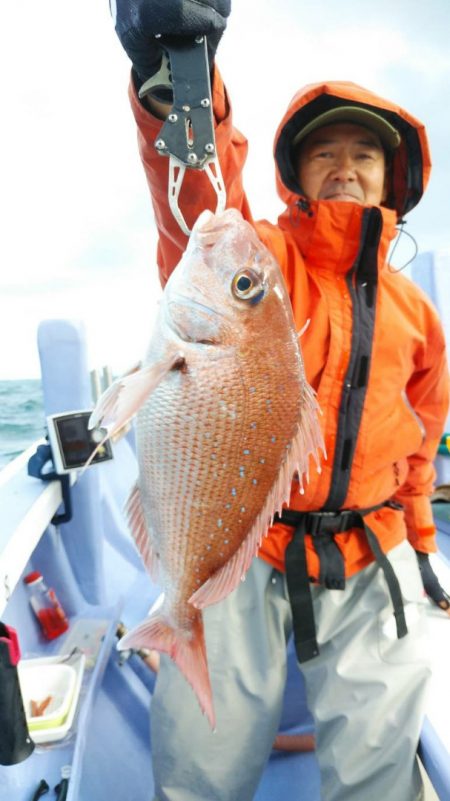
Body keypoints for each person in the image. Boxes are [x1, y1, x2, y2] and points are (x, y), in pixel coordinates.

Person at [111, 3, 450, 800]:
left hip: (372, 551)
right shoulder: (258, 259)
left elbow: (422, 434)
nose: (343, 164)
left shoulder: (418, 313)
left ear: (393, 175)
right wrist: (180, 84)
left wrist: (424, 542)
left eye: (363, 152)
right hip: (246, 547)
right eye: (323, 151)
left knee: (379, 761)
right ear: (293, 174)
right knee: (202, 757)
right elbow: (197, 202)